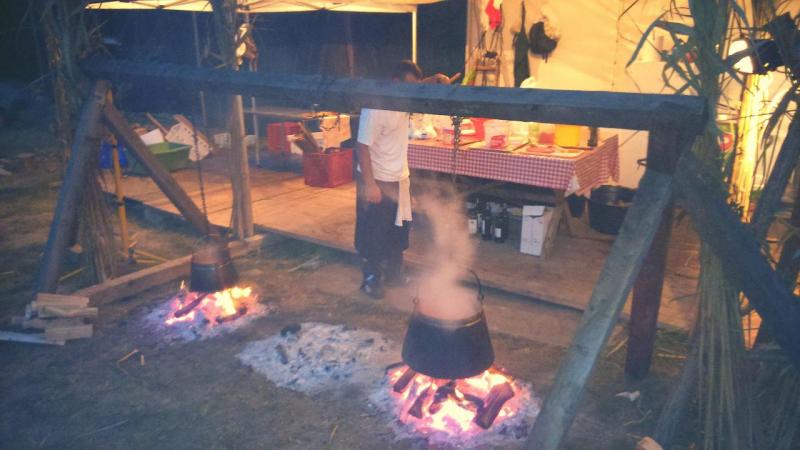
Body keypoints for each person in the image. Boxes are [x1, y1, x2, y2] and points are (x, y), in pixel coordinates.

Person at [355, 60, 456, 299]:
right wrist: (370, 184)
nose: (412, 91)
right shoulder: (375, 107)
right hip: (376, 178)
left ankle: (394, 273)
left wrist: (434, 79)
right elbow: (362, 146)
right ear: (395, 82)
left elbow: (418, 86)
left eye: (415, 86)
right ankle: (371, 278)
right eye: (409, 86)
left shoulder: (404, 100)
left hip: (399, 178)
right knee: (373, 232)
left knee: (399, 229)